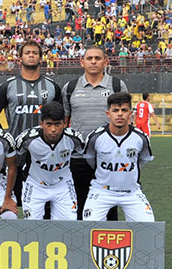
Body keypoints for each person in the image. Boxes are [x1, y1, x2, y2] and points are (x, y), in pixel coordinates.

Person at [0, 40, 62, 210]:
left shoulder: (53, 87)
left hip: (46, 152)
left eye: (35, 53)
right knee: (14, 204)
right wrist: (4, 134)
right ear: (20, 58)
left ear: (40, 58)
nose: (31, 55)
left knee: (44, 204)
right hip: (16, 152)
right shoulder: (7, 86)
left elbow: (62, 119)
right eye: (27, 53)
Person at [63, 46, 128, 220]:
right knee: (78, 203)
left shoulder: (116, 85)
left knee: (108, 205)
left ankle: (109, 245)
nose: (93, 62)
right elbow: (64, 121)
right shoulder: (70, 87)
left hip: (108, 157)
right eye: (89, 58)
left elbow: (123, 118)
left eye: (97, 58)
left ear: (105, 61)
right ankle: (79, 243)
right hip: (78, 156)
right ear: (81, 62)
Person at [83, 92, 155, 222]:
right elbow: (90, 159)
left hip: (131, 192)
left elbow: (143, 160)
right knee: (90, 225)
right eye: (115, 110)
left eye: (124, 110)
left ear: (131, 113)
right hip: (101, 191)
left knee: (148, 226)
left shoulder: (141, 138)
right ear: (108, 114)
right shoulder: (95, 137)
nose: (120, 114)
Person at [15, 102, 84, 220]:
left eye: (57, 124)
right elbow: (15, 160)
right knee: (31, 224)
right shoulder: (27, 139)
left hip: (63, 185)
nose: (53, 129)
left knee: (69, 223)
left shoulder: (75, 138)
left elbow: (82, 154)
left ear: (65, 123)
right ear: (41, 124)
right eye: (49, 124)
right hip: (35, 184)